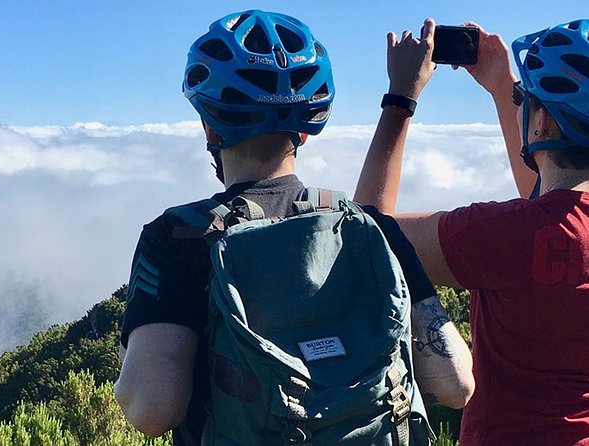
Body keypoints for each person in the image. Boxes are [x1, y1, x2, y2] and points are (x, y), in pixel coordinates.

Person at [114, 10, 473, 445]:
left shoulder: (178, 237)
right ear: (306, 130)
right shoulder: (372, 228)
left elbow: (152, 410)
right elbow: (456, 384)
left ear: (210, 126)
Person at [355, 17, 589, 446]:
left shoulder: (503, 234)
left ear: (542, 125)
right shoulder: (542, 228)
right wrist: (504, 87)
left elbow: (363, 233)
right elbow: (557, 206)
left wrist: (400, 98)